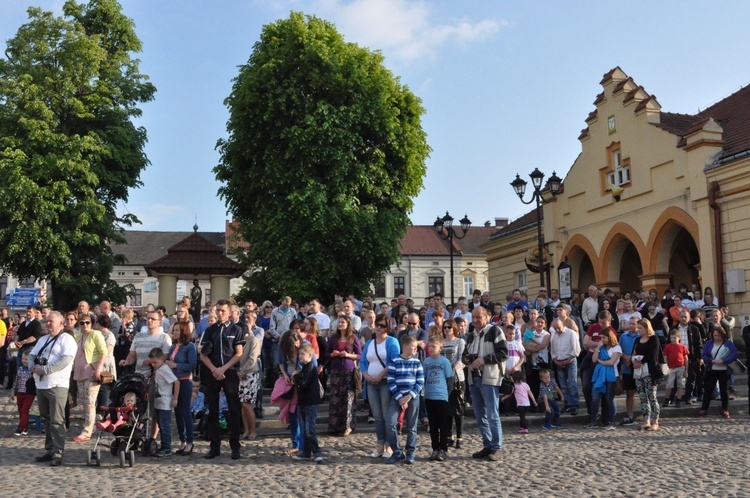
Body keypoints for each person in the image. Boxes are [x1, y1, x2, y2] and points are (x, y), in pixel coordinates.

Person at [29, 312, 78, 466]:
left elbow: (65, 361)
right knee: (46, 418)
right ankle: (49, 450)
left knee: (57, 420)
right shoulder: (43, 339)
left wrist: (45, 370)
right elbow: (31, 355)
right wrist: (32, 366)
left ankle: (58, 453)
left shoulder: (67, 339)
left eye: (51, 321)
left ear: (61, 323)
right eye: (46, 321)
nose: (48, 324)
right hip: (41, 385)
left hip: (57, 385)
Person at [199, 300, 245, 460]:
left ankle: (235, 447)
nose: (220, 313)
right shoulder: (210, 330)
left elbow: (238, 353)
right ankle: (214, 447)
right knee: (212, 410)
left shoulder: (237, 329)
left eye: (223, 311)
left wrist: (224, 369)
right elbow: (203, 354)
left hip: (229, 372)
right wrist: (214, 369)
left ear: (230, 312)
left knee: (234, 409)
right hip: (213, 372)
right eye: (218, 310)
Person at [464, 306, 508, 462]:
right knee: (480, 414)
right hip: (474, 377)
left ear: (487, 317)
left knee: (492, 413)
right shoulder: (471, 336)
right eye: (473, 317)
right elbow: (464, 356)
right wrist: (468, 359)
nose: (475, 320)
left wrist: (483, 359)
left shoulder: (494, 331)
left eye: (478, 317)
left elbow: (504, 353)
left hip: (489, 377)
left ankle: (496, 446)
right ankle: (487, 444)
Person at [361, 313, 400, 459]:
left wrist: (380, 375)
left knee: (386, 415)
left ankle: (389, 445)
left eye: (383, 325)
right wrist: (365, 374)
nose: (379, 327)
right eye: (378, 324)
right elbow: (364, 361)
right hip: (371, 383)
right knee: (377, 416)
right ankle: (380, 444)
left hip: (385, 382)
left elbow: (393, 361)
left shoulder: (392, 342)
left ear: (388, 327)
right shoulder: (370, 343)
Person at [385, 334, 425, 465]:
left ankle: (410, 452)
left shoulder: (417, 362)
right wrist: (400, 398)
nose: (415, 349)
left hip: (412, 398)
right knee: (390, 423)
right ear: (405, 346)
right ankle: (397, 451)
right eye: (413, 346)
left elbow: (420, 381)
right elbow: (391, 381)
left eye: (416, 347)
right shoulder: (394, 361)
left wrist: (408, 397)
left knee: (412, 426)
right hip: (397, 397)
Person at [72, 314, 107, 442]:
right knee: (84, 402)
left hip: (91, 372)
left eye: (87, 322)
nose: (85, 325)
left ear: (91, 323)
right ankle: (90, 426)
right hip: (79, 372)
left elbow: (104, 352)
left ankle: (87, 431)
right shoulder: (78, 336)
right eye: (82, 323)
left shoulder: (95, 334)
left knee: (90, 402)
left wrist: (98, 368)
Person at [326, 315, 362, 437]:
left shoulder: (353, 338)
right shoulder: (333, 338)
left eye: (343, 322)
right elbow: (326, 353)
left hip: (348, 370)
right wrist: (333, 354)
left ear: (348, 324)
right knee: (335, 399)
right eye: (339, 322)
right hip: (335, 370)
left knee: (348, 399)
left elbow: (359, 355)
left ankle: (347, 426)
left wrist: (347, 354)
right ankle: (334, 426)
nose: (340, 324)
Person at [165, 321, 197, 455]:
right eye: (174, 330)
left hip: (184, 382)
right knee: (177, 413)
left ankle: (190, 441)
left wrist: (175, 366)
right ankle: (182, 440)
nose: (174, 333)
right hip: (173, 381)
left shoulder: (189, 347)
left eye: (177, 330)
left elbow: (191, 365)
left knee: (185, 411)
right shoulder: (173, 347)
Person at [423, 335, 454, 462]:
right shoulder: (426, 362)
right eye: (429, 346)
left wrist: (447, 393)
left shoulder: (444, 362)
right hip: (429, 396)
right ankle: (435, 448)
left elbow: (450, 379)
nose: (430, 348)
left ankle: (443, 449)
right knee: (433, 425)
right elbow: (424, 378)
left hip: (441, 396)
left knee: (443, 424)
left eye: (433, 346)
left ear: (440, 347)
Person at [291, 343, 324, 463]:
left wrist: (296, 376)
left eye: (302, 354)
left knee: (310, 428)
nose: (300, 356)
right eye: (299, 353)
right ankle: (306, 452)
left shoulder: (310, 367)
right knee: (304, 428)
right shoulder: (304, 367)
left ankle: (317, 451)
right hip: (302, 402)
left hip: (310, 402)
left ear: (310, 355)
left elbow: (304, 383)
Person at [699, 326, 738, 418]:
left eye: (719, 336)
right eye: (715, 335)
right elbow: (704, 354)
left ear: (723, 335)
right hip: (712, 369)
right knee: (708, 390)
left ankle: (725, 409)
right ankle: (704, 409)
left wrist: (724, 361)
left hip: (724, 370)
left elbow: (734, 354)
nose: (717, 337)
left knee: (724, 390)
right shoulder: (709, 343)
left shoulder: (728, 344)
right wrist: (711, 361)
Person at [632, 319, 664, 430]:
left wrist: (640, 361)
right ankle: (646, 420)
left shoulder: (653, 339)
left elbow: (653, 354)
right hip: (639, 372)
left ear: (646, 328)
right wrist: (634, 362)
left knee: (652, 397)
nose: (638, 330)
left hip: (650, 372)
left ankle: (655, 421)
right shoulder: (637, 340)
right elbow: (634, 352)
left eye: (640, 328)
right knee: (642, 397)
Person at [586, 327, 621, 429]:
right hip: (599, 376)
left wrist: (600, 362)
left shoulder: (616, 348)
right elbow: (593, 359)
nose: (602, 340)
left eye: (604, 338)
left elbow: (611, 362)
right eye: (601, 338)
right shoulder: (601, 347)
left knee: (609, 399)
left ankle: (611, 421)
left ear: (610, 337)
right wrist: (597, 348)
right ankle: (593, 420)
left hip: (611, 376)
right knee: (595, 398)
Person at [149, 348, 179, 457]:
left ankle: (167, 448)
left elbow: (176, 382)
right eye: (151, 362)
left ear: (162, 359)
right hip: (159, 401)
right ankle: (163, 446)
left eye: (155, 362)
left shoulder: (165, 369)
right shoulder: (159, 369)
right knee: (161, 425)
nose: (153, 365)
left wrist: (175, 398)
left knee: (165, 426)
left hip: (165, 402)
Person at [442, 319, 466, 449]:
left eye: (449, 327)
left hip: (456, 378)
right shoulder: (441, 342)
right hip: (443, 379)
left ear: (454, 328)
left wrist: (451, 370)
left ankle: (459, 436)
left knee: (457, 409)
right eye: (445, 327)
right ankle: (449, 435)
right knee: (447, 410)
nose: (447, 330)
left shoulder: (460, 341)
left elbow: (461, 359)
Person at [549, 318, 581, 415]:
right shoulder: (554, 335)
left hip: (570, 360)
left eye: (558, 328)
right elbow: (553, 350)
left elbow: (576, 349)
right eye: (555, 329)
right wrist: (555, 360)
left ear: (563, 325)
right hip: (559, 361)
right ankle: (567, 404)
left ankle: (574, 405)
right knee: (563, 385)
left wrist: (568, 360)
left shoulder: (571, 333)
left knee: (572, 383)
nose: (557, 330)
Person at [238, 313, 261, 441]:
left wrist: (242, 370)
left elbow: (252, 359)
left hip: (250, 374)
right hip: (241, 375)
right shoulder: (239, 342)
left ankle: (253, 430)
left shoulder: (253, 340)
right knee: (242, 404)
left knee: (247, 404)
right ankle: (246, 429)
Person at [501, 370, 537, 434]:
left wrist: (503, 398)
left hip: (521, 404)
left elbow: (509, 394)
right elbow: (530, 393)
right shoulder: (526, 385)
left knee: (522, 417)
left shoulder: (515, 386)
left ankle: (525, 428)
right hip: (527, 404)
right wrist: (534, 401)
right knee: (522, 416)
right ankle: (522, 426)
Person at [662, 329, 690, 408]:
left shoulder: (682, 347)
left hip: (681, 367)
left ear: (679, 338)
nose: (673, 339)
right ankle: (666, 399)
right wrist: (666, 367)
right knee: (669, 384)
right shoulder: (668, 347)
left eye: (675, 337)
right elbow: (665, 357)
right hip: (671, 368)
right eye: (671, 338)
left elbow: (686, 358)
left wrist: (686, 370)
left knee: (681, 384)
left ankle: (678, 400)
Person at [11, 350, 35, 436]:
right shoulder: (20, 369)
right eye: (23, 359)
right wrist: (13, 390)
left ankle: (21, 427)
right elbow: (16, 380)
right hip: (20, 392)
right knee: (20, 410)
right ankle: (25, 426)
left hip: (29, 393)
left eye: (26, 359)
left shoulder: (32, 370)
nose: (24, 361)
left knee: (24, 410)